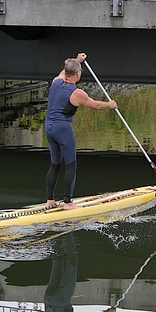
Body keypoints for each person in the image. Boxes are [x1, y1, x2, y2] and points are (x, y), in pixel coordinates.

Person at [45, 53, 118, 210]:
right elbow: (96, 105)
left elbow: (64, 71)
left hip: (49, 127)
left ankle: (50, 201)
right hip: (62, 129)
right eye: (80, 70)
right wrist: (109, 104)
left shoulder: (56, 81)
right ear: (77, 73)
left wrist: (77, 60)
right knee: (71, 165)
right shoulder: (76, 93)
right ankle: (68, 203)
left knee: (55, 164)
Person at [44, 234, 116, 312]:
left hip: (61, 301)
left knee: (71, 259)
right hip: (48, 299)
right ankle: (55, 230)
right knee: (58, 259)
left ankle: (68, 228)